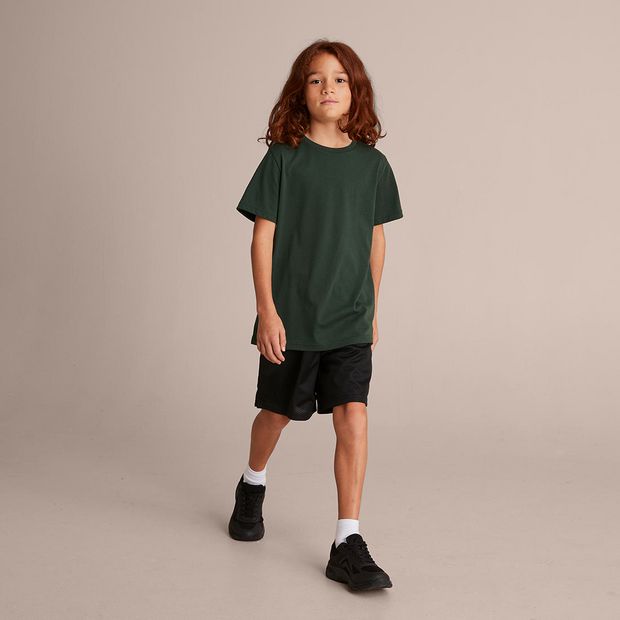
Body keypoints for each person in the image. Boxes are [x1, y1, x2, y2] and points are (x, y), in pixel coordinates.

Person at [229, 39, 403, 592]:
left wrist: (371, 309)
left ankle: (347, 541)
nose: (329, 87)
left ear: (356, 91)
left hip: (350, 315)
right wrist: (267, 311)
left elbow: (375, 240)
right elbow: (262, 238)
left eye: (340, 79)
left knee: (354, 413)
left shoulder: (372, 165)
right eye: (316, 79)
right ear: (300, 93)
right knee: (276, 413)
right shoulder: (284, 158)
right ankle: (252, 482)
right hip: (294, 317)